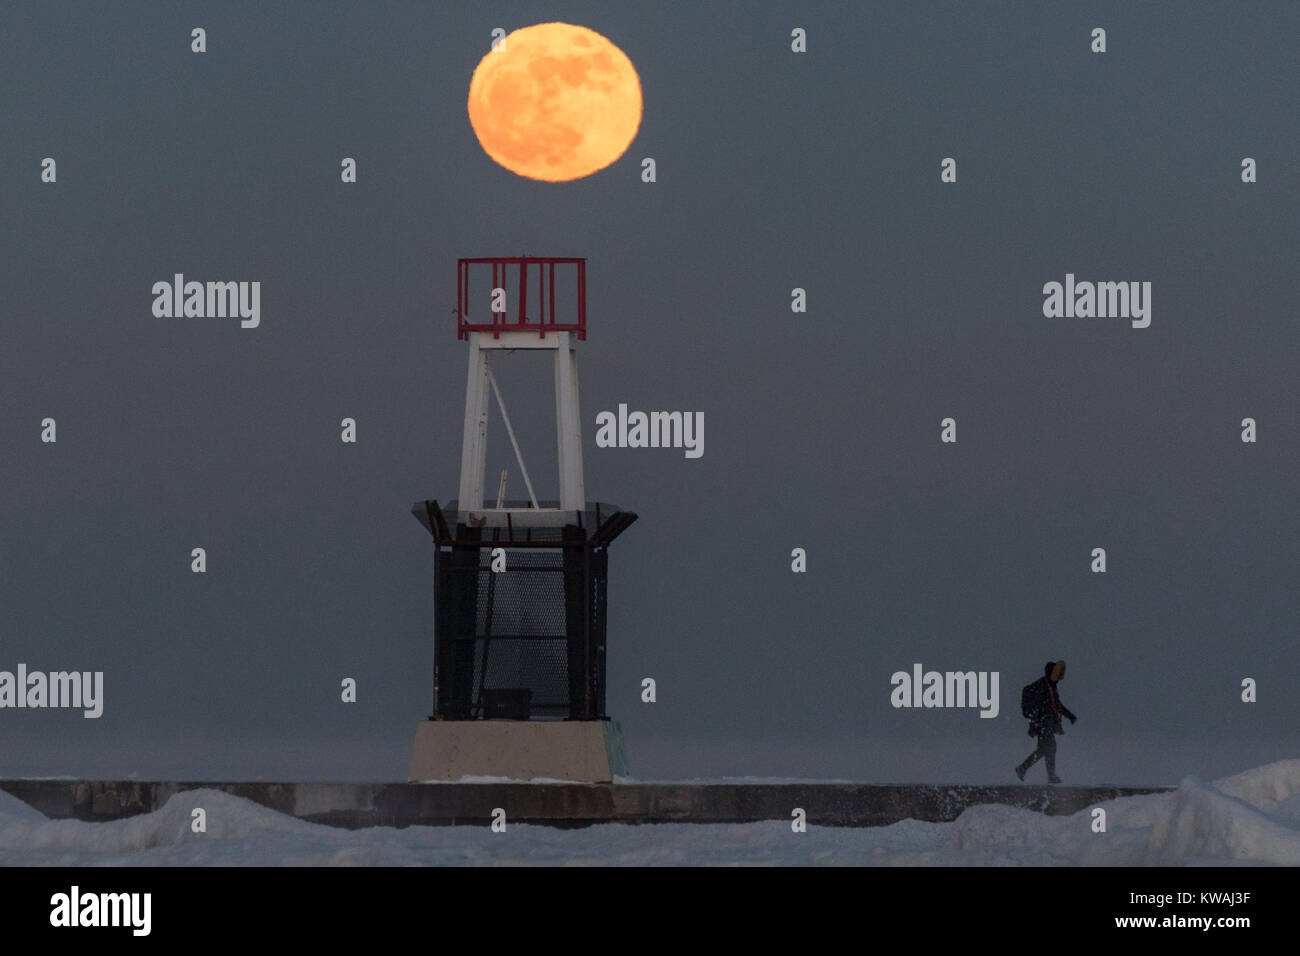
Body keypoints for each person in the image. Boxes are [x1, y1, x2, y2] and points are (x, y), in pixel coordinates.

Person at [1015, 660, 1076, 783]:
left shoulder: (1051, 686)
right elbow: (1041, 706)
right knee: (1047, 748)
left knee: (1048, 749)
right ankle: (1025, 769)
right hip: (1043, 723)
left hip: (1047, 723)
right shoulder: (1042, 686)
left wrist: (1069, 715)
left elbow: (1056, 704)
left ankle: (1034, 771)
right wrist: (1036, 722)